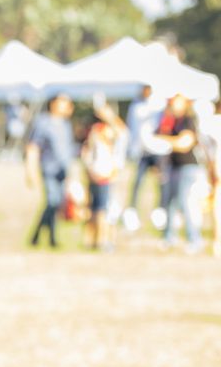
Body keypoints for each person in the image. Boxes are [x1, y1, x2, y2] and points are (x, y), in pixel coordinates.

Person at [24, 94, 76, 249]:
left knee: (57, 203)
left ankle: (47, 238)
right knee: (52, 201)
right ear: (53, 103)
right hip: (49, 169)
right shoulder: (43, 123)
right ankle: (38, 236)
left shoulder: (65, 124)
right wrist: (30, 171)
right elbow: (33, 147)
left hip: (62, 170)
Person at [156, 93, 203, 251]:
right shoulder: (170, 121)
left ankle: (194, 239)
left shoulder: (188, 121)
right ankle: (169, 237)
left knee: (185, 202)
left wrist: (163, 141)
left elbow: (185, 143)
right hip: (173, 166)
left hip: (188, 167)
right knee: (170, 203)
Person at [81, 98, 127, 251]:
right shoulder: (100, 130)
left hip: (103, 173)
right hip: (102, 173)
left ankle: (100, 240)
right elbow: (122, 134)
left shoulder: (102, 130)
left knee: (102, 208)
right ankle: (101, 240)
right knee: (101, 208)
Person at [124, 84, 164, 229]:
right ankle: (132, 211)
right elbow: (132, 127)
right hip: (141, 150)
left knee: (161, 182)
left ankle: (161, 210)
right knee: (137, 183)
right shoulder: (136, 106)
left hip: (157, 149)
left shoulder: (159, 104)